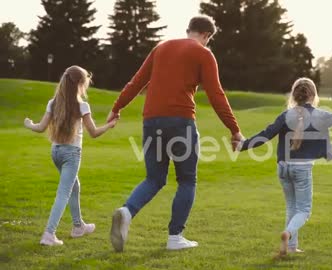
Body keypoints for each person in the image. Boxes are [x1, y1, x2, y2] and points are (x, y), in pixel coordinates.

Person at [107, 15, 243, 252]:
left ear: (188, 29)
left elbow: (136, 82)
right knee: (187, 179)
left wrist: (116, 108)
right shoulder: (204, 53)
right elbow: (216, 95)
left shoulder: (160, 48)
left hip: (151, 121)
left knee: (154, 178)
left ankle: (127, 211)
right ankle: (175, 237)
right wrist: (234, 129)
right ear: (206, 36)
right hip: (180, 122)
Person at [237, 78, 332, 255]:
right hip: (301, 168)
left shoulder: (285, 116)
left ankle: (291, 247)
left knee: (292, 206)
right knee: (304, 210)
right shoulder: (320, 115)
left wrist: (242, 145)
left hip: (282, 167)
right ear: (313, 95)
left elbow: (266, 134)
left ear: (294, 95)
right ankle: (288, 234)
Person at [24, 66, 117, 246]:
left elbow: (41, 127)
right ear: (80, 84)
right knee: (64, 193)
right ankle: (49, 234)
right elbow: (94, 132)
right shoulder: (82, 105)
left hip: (56, 152)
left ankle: (78, 226)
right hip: (71, 154)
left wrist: (29, 124)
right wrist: (110, 125)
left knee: (74, 186)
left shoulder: (53, 103)